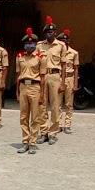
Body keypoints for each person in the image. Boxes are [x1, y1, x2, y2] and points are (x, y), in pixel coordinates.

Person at [15, 27, 46, 154]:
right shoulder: (19, 56)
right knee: (23, 116)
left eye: (31, 43)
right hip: (23, 87)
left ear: (35, 44)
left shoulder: (41, 57)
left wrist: (42, 94)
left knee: (35, 116)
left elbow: (43, 78)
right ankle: (25, 141)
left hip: (35, 87)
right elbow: (18, 76)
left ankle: (33, 142)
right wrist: (17, 92)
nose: (29, 45)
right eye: (27, 43)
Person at [37, 16, 66, 144]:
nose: (50, 33)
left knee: (55, 106)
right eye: (47, 32)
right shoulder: (39, 45)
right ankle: (43, 132)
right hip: (42, 77)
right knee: (41, 105)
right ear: (45, 33)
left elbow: (64, 65)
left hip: (55, 76)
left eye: (52, 31)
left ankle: (53, 132)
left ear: (55, 32)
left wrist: (63, 82)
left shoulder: (61, 45)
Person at [57, 28, 79, 134]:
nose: (64, 42)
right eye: (62, 40)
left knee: (69, 103)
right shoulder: (57, 53)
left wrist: (75, 84)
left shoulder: (74, 53)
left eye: (66, 40)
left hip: (69, 78)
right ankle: (59, 124)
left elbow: (76, 69)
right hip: (59, 78)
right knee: (58, 103)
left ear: (68, 41)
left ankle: (67, 124)